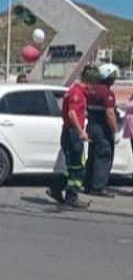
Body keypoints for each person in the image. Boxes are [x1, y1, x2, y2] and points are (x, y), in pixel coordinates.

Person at [47, 65, 96, 208]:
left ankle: (56, 189)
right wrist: (81, 131)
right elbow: (72, 114)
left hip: (68, 131)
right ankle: (71, 197)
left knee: (70, 166)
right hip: (73, 133)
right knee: (77, 167)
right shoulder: (77, 93)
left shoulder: (71, 91)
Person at [84, 63, 120, 197]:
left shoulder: (92, 90)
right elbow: (109, 113)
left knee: (93, 156)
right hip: (102, 128)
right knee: (104, 156)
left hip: (92, 126)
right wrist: (115, 131)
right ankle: (98, 187)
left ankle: (88, 184)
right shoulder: (106, 92)